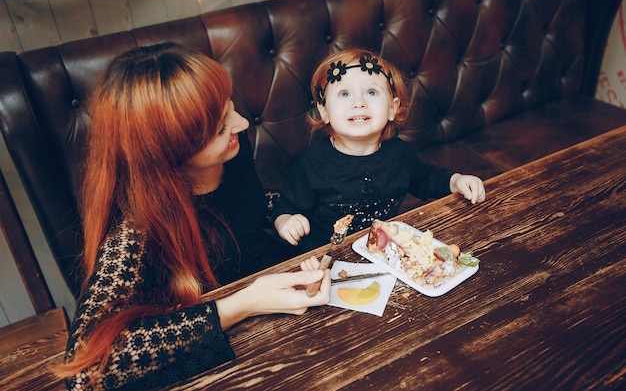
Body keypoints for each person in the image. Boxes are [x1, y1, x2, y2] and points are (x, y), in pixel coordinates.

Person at [55, 42, 330, 390]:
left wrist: (291, 209)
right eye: (219, 129)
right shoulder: (135, 229)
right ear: (169, 153)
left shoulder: (233, 147)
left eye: (230, 108)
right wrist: (242, 305)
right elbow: (85, 375)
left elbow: (245, 207)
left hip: (288, 314)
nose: (242, 124)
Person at [273, 48, 486, 251]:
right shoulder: (309, 165)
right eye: (345, 94)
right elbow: (285, 209)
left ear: (392, 108)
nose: (358, 102)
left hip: (384, 250)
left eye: (371, 92)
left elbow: (428, 178)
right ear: (324, 110)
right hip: (327, 257)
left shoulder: (401, 154)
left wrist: (456, 181)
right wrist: (286, 223)